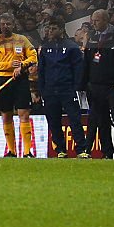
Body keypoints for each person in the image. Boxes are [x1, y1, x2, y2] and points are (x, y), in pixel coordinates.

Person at [80, 9, 114, 159]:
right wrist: (83, 83)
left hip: (113, 86)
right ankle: (107, 152)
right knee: (101, 120)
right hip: (95, 85)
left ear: (105, 20)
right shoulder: (92, 38)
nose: (94, 23)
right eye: (93, 20)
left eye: (97, 20)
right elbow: (87, 61)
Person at [0, 13, 38, 158]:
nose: (5, 26)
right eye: (3, 24)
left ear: (13, 24)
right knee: (6, 115)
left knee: (24, 114)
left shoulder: (22, 39)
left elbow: (33, 57)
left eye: (8, 24)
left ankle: (27, 151)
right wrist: (8, 65)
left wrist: (22, 65)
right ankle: (11, 150)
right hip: (3, 81)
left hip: (20, 80)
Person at [38, 19, 88, 158]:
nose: (51, 31)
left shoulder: (71, 47)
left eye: (54, 28)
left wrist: (77, 87)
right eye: (49, 28)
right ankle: (60, 149)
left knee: (75, 119)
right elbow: (41, 70)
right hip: (50, 90)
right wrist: (42, 89)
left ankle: (81, 150)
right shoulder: (45, 48)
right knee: (53, 121)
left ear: (61, 29)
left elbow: (78, 69)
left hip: (67, 89)